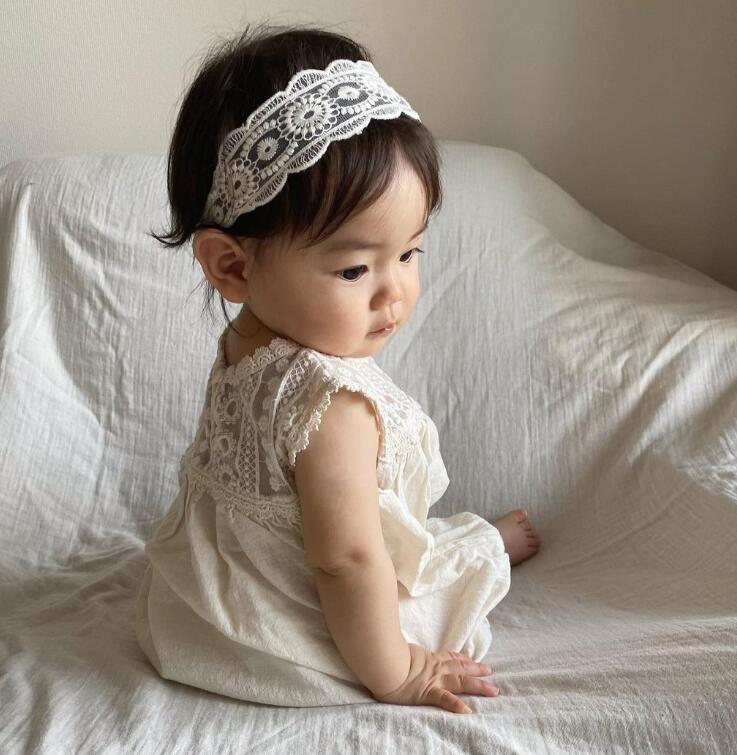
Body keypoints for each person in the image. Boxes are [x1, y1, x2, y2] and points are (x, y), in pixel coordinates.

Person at [136, 21, 541, 715]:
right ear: (232, 265)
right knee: (418, 573)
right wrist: (399, 673)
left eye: (409, 253)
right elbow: (346, 560)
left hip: (204, 601)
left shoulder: (251, 338)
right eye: (354, 269)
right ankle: (482, 550)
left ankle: (478, 543)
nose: (395, 293)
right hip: (297, 624)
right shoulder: (334, 405)